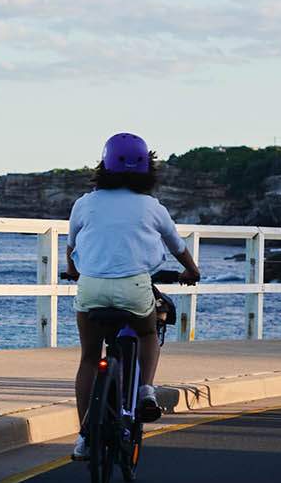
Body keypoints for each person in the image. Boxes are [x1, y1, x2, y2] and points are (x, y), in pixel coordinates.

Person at [65, 133, 201, 460]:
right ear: (147, 170)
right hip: (135, 287)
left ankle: (85, 436)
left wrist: (72, 270)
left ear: (104, 164)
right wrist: (191, 272)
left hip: (92, 287)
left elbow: (72, 248)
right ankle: (145, 390)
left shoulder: (85, 203)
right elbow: (177, 247)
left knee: (88, 357)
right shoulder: (151, 206)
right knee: (148, 331)